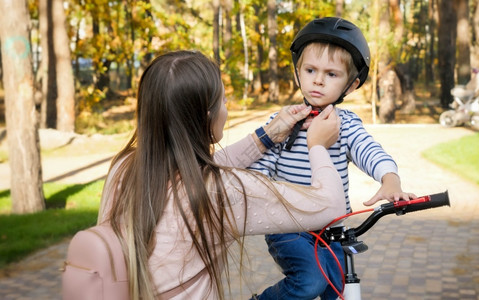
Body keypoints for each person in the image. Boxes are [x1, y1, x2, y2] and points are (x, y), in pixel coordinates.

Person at [97, 49, 348, 299]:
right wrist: (317, 145)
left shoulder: (125, 167)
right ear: (208, 116)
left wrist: (267, 135)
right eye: (224, 101)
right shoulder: (223, 191)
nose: (226, 108)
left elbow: (192, 169)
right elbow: (330, 207)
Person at [248, 17, 416, 299]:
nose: (317, 80)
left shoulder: (346, 125)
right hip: (289, 227)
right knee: (309, 281)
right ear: (298, 71)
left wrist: (390, 178)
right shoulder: (283, 122)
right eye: (310, 70)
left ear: (351, 85)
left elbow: (369, 150)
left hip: (333, 230)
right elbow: (258, 171)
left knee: (339, 288)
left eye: (331, 74)